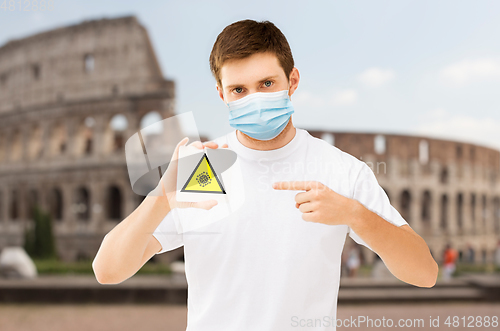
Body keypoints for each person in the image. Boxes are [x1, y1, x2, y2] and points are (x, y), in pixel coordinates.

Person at [93, 19, 438, 330]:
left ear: (293, 81)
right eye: (239, 90)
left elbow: (424, 272)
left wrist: (355, 215)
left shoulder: (342, 170)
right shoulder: (204, 168)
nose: (254, 99)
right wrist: (161, 199)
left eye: (267, 83)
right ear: (221, 94)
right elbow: (107, 270)